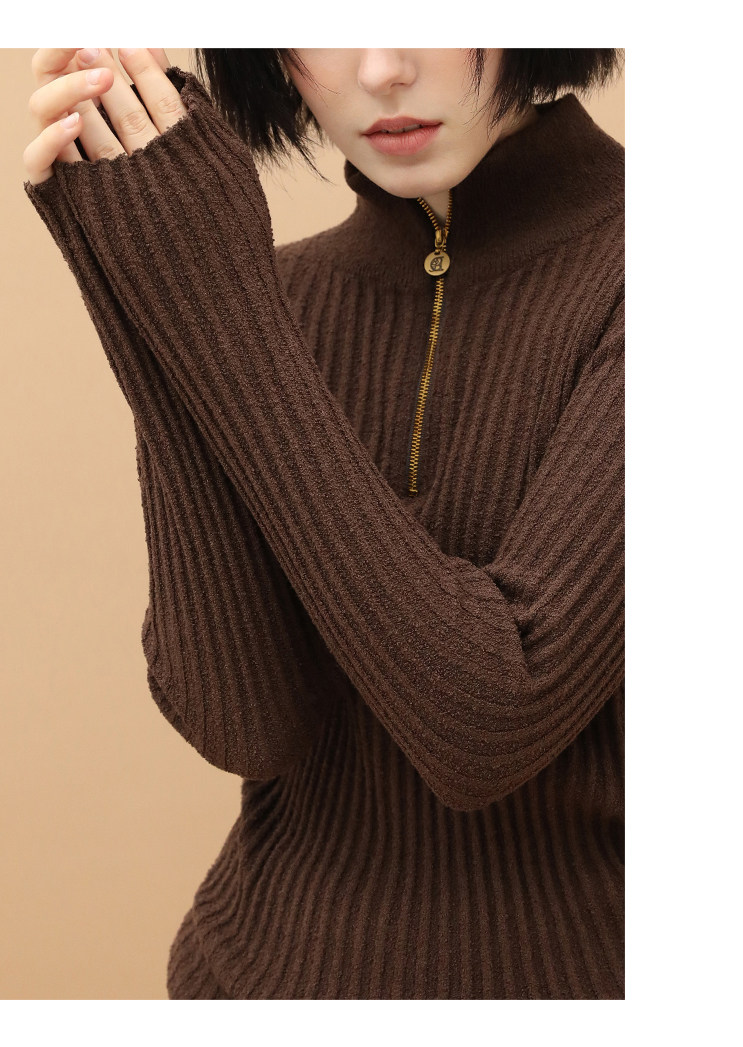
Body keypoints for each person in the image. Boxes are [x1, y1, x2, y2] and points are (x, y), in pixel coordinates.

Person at [22, 48, 625, 1000]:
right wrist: (139, 285)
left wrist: (223, 314)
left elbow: (486, 724)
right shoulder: (270, 300)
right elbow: (247, 720)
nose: (382, 70)